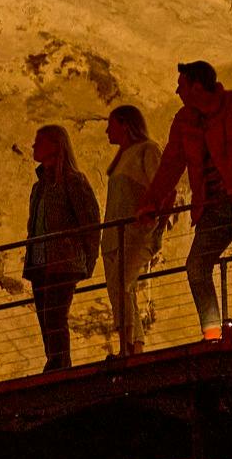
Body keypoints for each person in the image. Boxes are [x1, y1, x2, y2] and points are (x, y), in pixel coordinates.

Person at [146, 60, 232, 332]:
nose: (177, 92)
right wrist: (151, 202)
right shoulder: (185, 120)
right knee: (196, 267)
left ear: (196, 86)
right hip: (213, 204)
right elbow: (171, 163)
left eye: (181, 85)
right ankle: (212, 332)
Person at [19, 123, 103, 373]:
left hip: (63, 260)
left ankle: (59, 365)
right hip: (40, 261)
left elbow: (90, 221)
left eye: (39, 141)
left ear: (55, 146)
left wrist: (88, 260)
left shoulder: (73, 181)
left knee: (55, 315)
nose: (34, 146)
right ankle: (56, 362)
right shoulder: (40, 186)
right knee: (46, 317)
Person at [98, 100, 159, 357]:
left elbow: (160, 187)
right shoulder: (122, 157)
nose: (107, 131)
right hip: (113, 235)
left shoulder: (147, 150)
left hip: (134, 232)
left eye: (110, 125)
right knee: (122, 290)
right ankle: (135, 347)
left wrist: (152, 222)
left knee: (123, 284)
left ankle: (127, 348)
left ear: (124, 124)